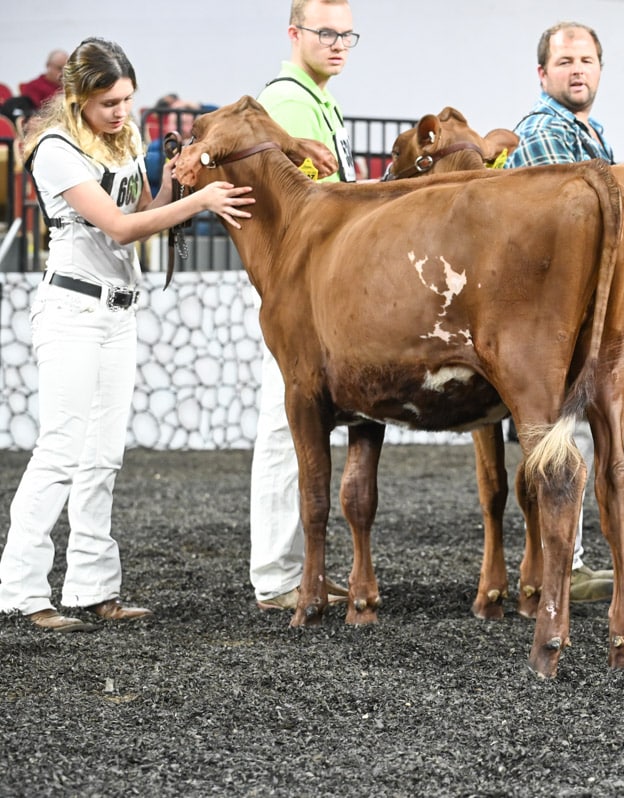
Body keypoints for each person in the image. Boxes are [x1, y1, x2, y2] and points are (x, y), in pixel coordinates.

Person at [0, 37, 254, 632]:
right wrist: (199, 206)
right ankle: (20, 587)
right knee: (60, 450)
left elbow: (146, 208)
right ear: (77, 97)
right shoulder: (55, 149)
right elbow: (118, 227)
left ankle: (92, 587)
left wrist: (183, 181)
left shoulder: (125, 139)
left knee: (102, 456)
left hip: (118, 310)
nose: (120, 111)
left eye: (127, 99)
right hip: (71, 310)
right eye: (108, 101)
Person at [250, 0, 360, 611]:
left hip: (313, 289)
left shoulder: (320, 99)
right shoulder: (289, 101)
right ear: (295, 34)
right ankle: (275, 575)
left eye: (348, 34)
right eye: (326, 33)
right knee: (283, 425)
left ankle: (295, 569)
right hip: (300, 292)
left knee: (300, 424)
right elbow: (309, 205)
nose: (339, 43)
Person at [504, 21, 614, 602]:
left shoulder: (593, 135)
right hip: (542, 318)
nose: (578, 70)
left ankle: (564, 561)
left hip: (566, 314)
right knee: (556, 437)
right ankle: (552, 569)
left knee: (568, 438)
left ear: (600, 70)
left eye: (587, 60)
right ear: (542, 74)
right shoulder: (544, 133)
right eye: (566, 61)